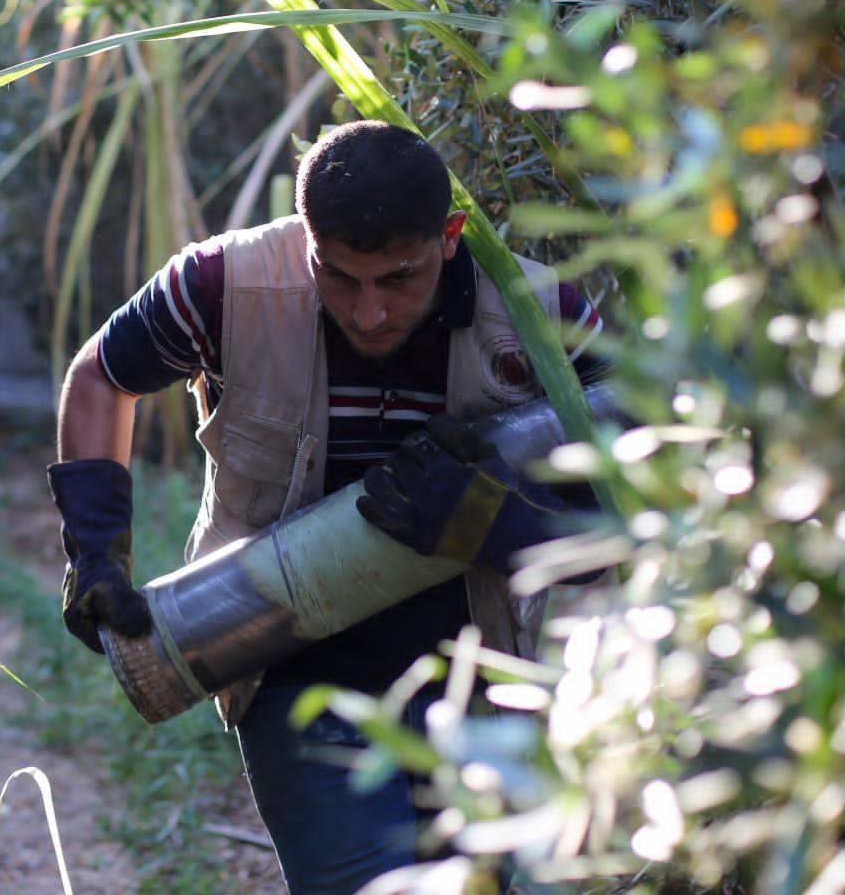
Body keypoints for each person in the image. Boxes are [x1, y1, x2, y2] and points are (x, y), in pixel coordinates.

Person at [48, 120, 608, 894]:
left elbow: (639, 507)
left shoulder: (544, 317)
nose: (369, 312)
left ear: (450, 237)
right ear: (304, 234)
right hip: (291, 674)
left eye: (397, 280)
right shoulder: (220, 284)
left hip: (487, 678)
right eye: (339, 277)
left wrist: (499, 521)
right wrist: (96, 549)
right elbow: (100, 377)